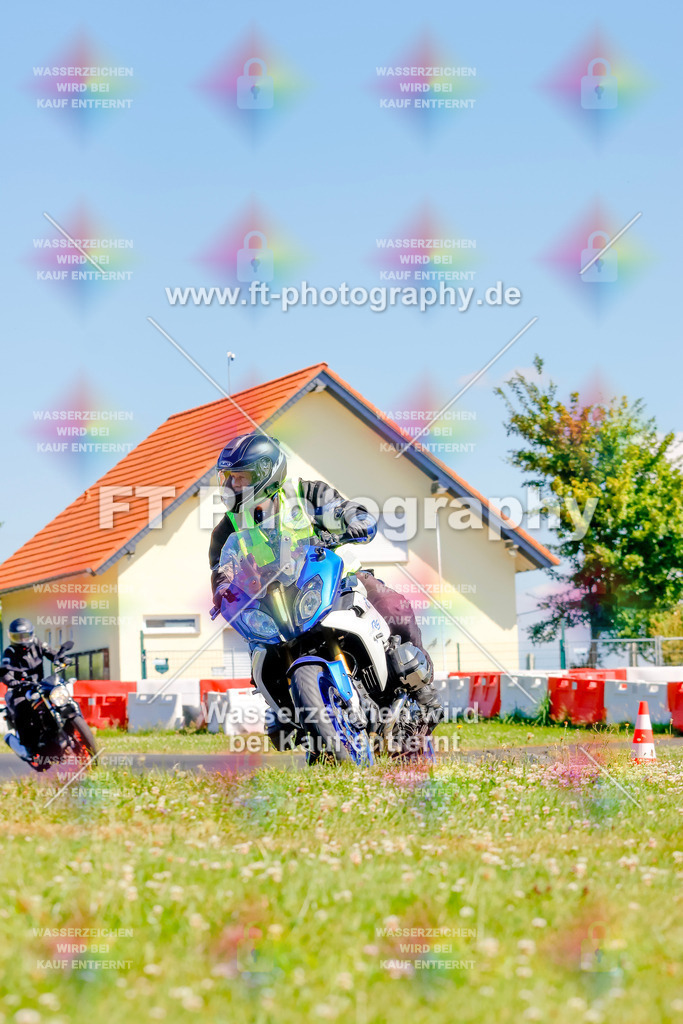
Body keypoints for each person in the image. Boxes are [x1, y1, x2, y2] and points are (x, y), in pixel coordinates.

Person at [208, 433, 443, 732]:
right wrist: (222, 590)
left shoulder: (305, 496)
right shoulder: (226, 529)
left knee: (390, 603)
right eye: (227, 478)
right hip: (274, 603)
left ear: (265, 473)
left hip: (335, 579)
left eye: (240, 478)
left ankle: (423, 689)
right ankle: (287, 712)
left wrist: (355, 520)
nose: (232, 487)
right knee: (259, 650)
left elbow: (342, 510)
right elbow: (220, 572)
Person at [1, 618, 58, 762]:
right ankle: (28, 747)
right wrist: (11, 681)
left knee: (59, 695)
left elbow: (51, 652)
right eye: (17, 637)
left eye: (24, 636)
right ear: (11, 636)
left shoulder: (38, 644)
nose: (21, 640)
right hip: (18, 690)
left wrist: (60, 658)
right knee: (21, 709)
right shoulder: (10, 651)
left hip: (40, 685)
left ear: (31, 634)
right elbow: (4, 670)